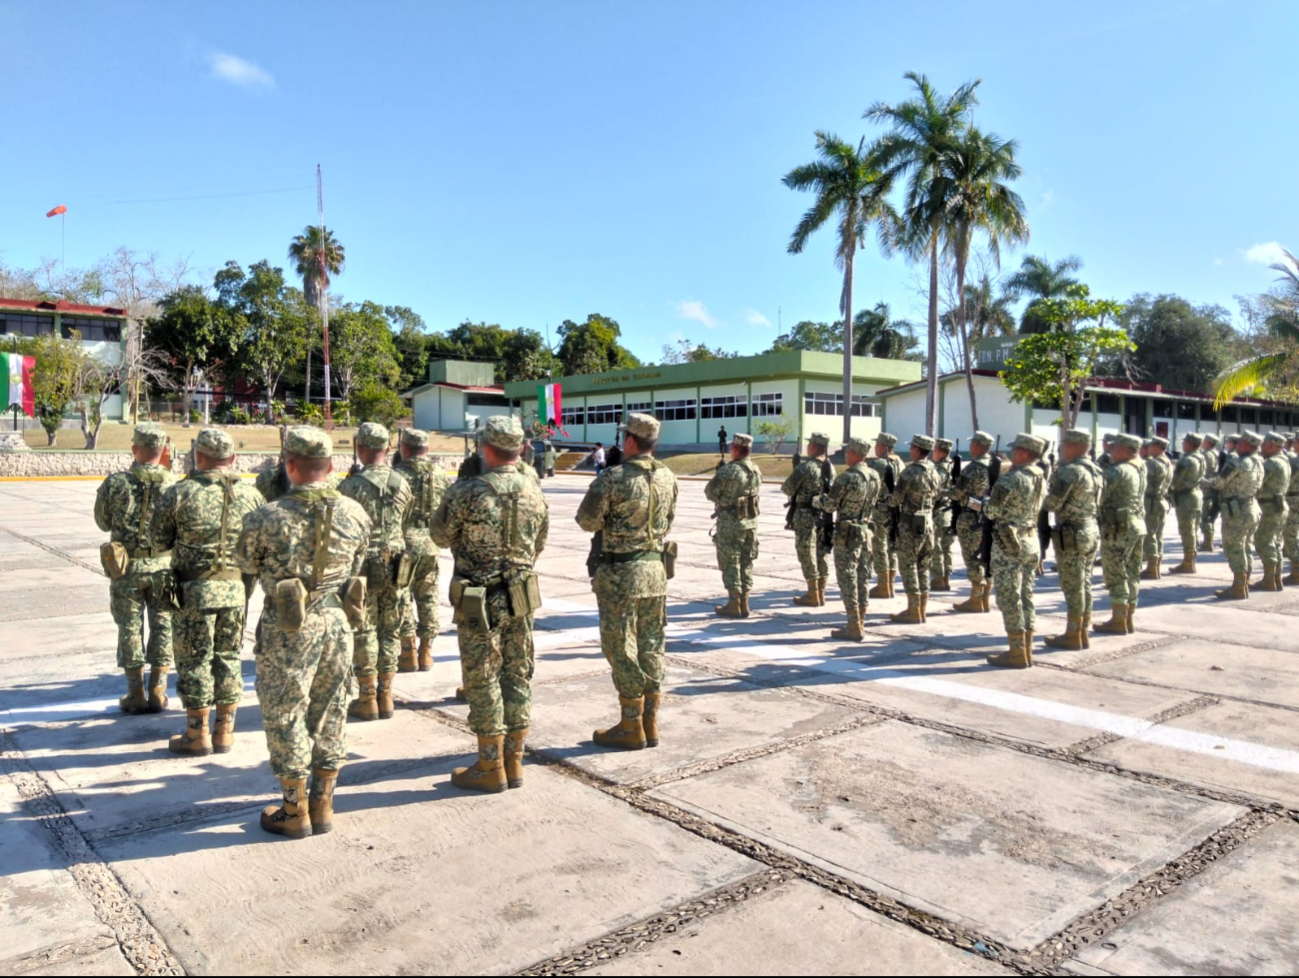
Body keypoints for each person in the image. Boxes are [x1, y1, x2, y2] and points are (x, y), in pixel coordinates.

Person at [235, 426, 370, 839]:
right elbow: (358, 563)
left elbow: (245, 562)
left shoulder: (266, 516)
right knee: (331, 707)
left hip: (288, 626)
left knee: (285, 710)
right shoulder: (355, 513)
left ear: (290, 466)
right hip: (336, 624)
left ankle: (294, 810)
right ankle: (323, 802)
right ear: (331, 467)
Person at [430, 416, 549, 792]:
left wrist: (461, 484)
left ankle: (489, 764)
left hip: (480, 598)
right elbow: (539, 542)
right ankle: (514, 760)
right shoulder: (534, 490)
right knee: (517, 673)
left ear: (485, 447)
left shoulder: (468, 491)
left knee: (482, 677)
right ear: (520, 449)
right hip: (520, 594)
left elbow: (439, 534)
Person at [151, 428, 264, 755]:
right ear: (232, 459)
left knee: (194, 659)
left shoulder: (180, 492)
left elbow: (159, 541)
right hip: (235, 591)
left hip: (193, 590)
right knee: (229, 656)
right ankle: (224, 731)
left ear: (198, 457)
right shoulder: (252, 496)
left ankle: (196, 733)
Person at [576, 413, 679, 751]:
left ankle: (630, 724)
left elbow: (587, 521)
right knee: (652, 644)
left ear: (631, 440)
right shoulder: (668, 477)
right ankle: (650, 720)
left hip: (621, 575)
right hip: (655, 572)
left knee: (621, 647)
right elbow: (669, 519)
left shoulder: (613, 478)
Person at [94, 422, 178, 714]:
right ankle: (158, 690)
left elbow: (103, 522)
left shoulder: (116, 482)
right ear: (164, 450)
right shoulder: (175, 484)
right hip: (164, 567)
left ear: (135, 449)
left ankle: (135, 693)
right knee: (163, 623)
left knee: (129, 626)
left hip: (125, 567)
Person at [338, 422, 413, 721]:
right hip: (398, 563)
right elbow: (405, 519)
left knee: (365, 627)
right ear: (388, 449)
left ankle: (367, 696)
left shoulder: (350, 486)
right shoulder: (402, 482)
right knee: (391, 627)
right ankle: (387, 693)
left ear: (360, 448)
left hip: (364, 564)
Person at [983, 434, 1049, 668]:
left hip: (1009, 543)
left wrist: (982, 501)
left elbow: (991, 511)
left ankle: (1016, 652)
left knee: (1009, 597)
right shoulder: (1040, 474)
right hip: (1031, 540)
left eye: (1015, 450)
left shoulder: (1011, 479)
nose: (1011, 453)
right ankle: (1027, 648)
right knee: (1026, 595)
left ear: (1024, 453)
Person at [395, 428, 453, 672]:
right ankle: (426, 651)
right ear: (427, 449)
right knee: (428, 596)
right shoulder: (441, 475)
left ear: (404, 448)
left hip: (404, 544)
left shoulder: (396, 476)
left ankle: (408, 652)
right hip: (430, 543)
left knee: (403, 596)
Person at [1042, 429, 1103, 650]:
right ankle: (1082, 631)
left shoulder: (1069, 472)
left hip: (1072, 533)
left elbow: (1052, 504)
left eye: (1064, 444)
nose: (1062, 449)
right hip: (1089, 529)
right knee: (1084, 583)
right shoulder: (1095, 469)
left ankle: (1073, 634)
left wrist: (1040, 494)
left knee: (1072, 585)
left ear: (1075, 446)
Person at [821, 436, 881, 640]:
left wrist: (817, 500)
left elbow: (830, 505)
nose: (846, 454)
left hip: (847, 533)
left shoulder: (846, 477)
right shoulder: (874, 476)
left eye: (848, 451)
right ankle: (861, 620)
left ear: (855, 453)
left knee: (847, 577)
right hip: (866, 530)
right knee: (863, 576)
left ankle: (853, 624)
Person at [704, 432, 762, 618]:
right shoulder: (755, 469)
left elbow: (710, 493)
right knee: (746, 561)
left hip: (731, 523)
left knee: (731, 561)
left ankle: (733, 602)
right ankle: (744, 602)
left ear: (735, 449)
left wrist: (719, 473)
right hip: (750, 523)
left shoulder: (730, 471)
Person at [1095, 434, 1148, 635]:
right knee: (1132, 573)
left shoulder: (1117, 471)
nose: (1110, 450)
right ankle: (1128, 618)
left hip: (1118, 528)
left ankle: (1118, 620)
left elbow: (1097, 496)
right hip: (1136, 524)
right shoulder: (1139, 466)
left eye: (1114, 447)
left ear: (1122, 449)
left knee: (1116, 573)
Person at [889, 434, 942, 625]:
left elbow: (896, 499)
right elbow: (936, 498)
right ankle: (922, 609)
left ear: (918, 450)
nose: (910, 450)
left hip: (910, 524)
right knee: (923, 565)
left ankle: (913, 610)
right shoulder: (934, 472)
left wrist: (886, 497)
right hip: (928, 523)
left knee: (908, 564)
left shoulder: (910, 473)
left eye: (912, 447)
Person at [781, 431, 834, 606]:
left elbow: (788, 488)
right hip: (823, 514)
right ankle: (821, 591)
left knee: (806, 551)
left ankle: (812, 592)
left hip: (804, 514)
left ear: (813, 446)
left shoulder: (806, 468)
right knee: (822, 551)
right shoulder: (829, 466)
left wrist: (796, 469)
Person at [1211, 430, 1265, 600]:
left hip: (1237, 511)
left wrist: (1206, 483)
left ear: (1246, 445)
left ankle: (1238, 587)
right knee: (1246, 547)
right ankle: (1244, 582)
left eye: (1240, 442)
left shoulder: (1236, 463)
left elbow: (1219, 483)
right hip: (1251, 507)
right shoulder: (1259, 462)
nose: (1237, 445)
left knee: (1234, 547)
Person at [952, 432, 997, 614]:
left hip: (970, 518)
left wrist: (948, 491)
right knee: (987, 556)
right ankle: (985, 598)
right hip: (988, 517)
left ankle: (976, 598)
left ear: (977, 446)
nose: (970, 447)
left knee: (972, 557)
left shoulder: (973, 468)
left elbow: (957, 493)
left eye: (972, 444)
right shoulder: (995, 465)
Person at [868, 433, 904, 599]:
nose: (875, 448)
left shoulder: (877, 464)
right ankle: (890, 584)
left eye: (877, 445)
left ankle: (883, 585)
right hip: (895, 511)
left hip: (880, 511)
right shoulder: (900, 463)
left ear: (882, 446)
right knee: (892, 546)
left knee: (879, 546)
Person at [1253, 432, 1291, 591]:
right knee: (1275, 542)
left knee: (1264, 541)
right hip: (1278, 505)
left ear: (1273, 445)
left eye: (1264, 444)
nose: (1261, 447)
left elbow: (1257, 483)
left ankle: (1269, 579)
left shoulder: (1271, 463)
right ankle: (1276, 578)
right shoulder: (1284, 460)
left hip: (1268, 507)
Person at [1167, 433, 1207, 575]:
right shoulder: (1201, 457)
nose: (1183, 444)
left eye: (1184, 442)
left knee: (1187, 530)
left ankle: (1188, 562)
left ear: (1190, 444)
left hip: (1185, 497)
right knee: (1193, 529)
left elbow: (1175, 481)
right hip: (1196, 495)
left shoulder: (1186, 461)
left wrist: (1169, 489)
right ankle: (1190, 560)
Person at [1140, 436, 1173, 579]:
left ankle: (1152, 567)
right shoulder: (1168, 462)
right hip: (1161, 501)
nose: (1148, 448)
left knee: (1149, 534)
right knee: (1158, 535)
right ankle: (1156, 565)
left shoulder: (1153, 464)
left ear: (1158, 447)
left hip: (1151, 502)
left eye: (1151, 446)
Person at [929, 438, 955, 591]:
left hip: (938, 512)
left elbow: (934, 492)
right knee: (947, 547)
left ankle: (938, 579)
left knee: (936, 547)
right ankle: (946, 578)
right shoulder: (953, 466)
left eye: (934, 450)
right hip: (949, 512)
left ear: (939, 451)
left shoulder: (938, 469)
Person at [1199, 432, 1222, 551]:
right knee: (1209, 513)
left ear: (1208, 442)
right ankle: (1208, 540)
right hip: (1214, 485)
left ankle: (1208, 542)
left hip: (1205, 486)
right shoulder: (1217, 453)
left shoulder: (1206, 455)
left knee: (1205, 514)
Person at [1285, 432, 1299, 585]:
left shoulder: (1295, 462)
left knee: (1291, 536)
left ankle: (1296, 572)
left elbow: (1287, 482)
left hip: (1294, 500)